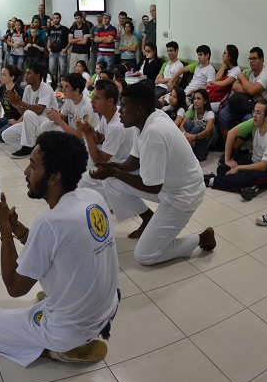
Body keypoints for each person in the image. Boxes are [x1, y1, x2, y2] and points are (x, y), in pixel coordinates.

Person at [0, 131, 119, 366]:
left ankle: (54, 350)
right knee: (46, 290)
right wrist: (16, 227)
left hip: (69, 330)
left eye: (33, 166)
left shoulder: (50, 222)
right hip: (105, 310)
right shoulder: (92, 196)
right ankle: (62, 330)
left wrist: (4, 228)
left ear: (54, 177)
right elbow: (56, 248)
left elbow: (14, 287)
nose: (26, 173)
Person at [91, 83, 216, 265]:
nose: (119, 112)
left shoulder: (154, 132)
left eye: (123, 106)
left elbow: (152, 186)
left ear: (138, 110)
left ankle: (201, 238)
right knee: (110, 181)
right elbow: (134, 159)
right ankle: (148, 219)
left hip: (183, 195)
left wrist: (115, 172)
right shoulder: (144, 121)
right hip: (169, 186)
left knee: (145, 256)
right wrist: (114, 168)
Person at [208, 98, 267, 194]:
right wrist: (228, 160)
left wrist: (239, 168)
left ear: (266, 117)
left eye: (258, 113)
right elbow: (231, 133)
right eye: (254, 111)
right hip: (254, 162)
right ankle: (248, 187)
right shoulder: (254, 123)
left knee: (244, 176)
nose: (254, 115)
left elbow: (263, 166)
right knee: (223, 167)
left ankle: (210, 181)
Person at [75, 79, 135, 196]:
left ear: (110, 101)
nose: (92, 101)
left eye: (97, 98)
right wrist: (89, 129)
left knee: (82, 181)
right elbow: (98, 138)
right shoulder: (111, 112)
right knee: (87, 146)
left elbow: (99, 161)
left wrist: (87, 134)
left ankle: (116, 198)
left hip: (122, 169)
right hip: (113, 161)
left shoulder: (116, 126)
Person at [15, 73, 94, 158]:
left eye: (67, 87)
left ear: (77, 90)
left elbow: (80, 135)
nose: (63, 89)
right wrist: (54, 115)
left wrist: (59, 120)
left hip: (85, 140)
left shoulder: (86, 107)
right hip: (71, 133)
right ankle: (43, 150)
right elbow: (62, 117)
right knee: (46, 125)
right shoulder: (69, 99)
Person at [217, 46, 267, 140]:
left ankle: (234, 147)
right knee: (223, 115)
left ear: (261, 59)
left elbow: (252, 90)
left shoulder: (266, 75)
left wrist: (242, 78)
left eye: (254, 59)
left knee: (248, 120)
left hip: (262, 109)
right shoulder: (249, 72)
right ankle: (228, 144)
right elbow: (235, 87)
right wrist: (252, 91)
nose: (251, 61)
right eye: (250, 59)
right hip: (246, 104)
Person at [3, 62, 56, 155]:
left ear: (37, 76)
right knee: (6, 135)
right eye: (26, 73)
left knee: (29, 114)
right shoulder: (28, 88)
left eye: (29, 73)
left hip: (48, 123)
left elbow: (40, 110)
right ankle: (33, 147)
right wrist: (16, 104)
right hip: (33, 123)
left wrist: (19, 102)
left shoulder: (46, 88)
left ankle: (27, 146)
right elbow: (23, 111)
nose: (25, 76)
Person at [179, 89, 216, 161]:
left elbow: (208, 131)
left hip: (203, 147)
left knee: (198, 128)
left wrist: (193, 136)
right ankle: (188, 151)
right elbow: (181, 126)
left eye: (198, 99)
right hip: (193, 143)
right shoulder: (192, 110)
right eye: (194, 98)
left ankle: (185, 152)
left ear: (205, 101)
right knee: (188, 123)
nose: (195, 101)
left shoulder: (210, 113)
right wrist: (186, 135)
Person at [67, 11, 94, 76]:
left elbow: (84, 41)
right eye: (75, 18)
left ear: (82, 18)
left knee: (83, 71)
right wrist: (79, 39)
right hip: (74, 52)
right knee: (72, 70)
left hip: (83, 52)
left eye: (78, 18)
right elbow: (70, 40)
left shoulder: (86, 28)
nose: (77, 20)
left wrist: (75, 39)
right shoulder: (72, 28)